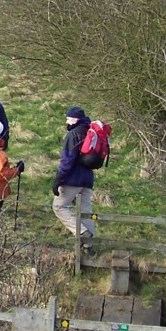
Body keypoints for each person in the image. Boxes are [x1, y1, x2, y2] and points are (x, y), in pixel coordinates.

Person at [52, 105, 97, 249]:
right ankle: (89, 246)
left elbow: (67, 160)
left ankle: (83, 233)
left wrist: (58, 179)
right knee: (86, 211)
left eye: (68, 118)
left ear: (75, 119)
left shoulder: (73, 135)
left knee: (58, 206)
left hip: (73, 179)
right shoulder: (90, 132)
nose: (67, 120)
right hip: (88, 179)